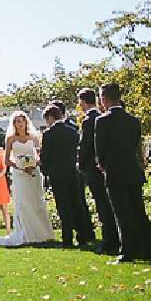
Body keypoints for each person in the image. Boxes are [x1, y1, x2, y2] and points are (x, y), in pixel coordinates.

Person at [94, 82, 151, 262]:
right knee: (138, 211)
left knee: (122, 213)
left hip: (114, 171)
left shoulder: (102, 121)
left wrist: (102, 165)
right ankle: (148, 249)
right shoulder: (133, 121)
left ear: (104, 99)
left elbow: (100, 150)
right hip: (132, 169)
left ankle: (128, 250)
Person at [0, 112, 55, 246]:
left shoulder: (33, 136)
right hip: (19, 174)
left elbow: (38, 156)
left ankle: (43, 233)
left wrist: (33, 164)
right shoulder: (11, 139)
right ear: (14, 124)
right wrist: (20, 166)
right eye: (17, 121)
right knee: (23, 203)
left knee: (36, 202)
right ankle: (26, 234)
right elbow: (7, 160)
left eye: (22, 121)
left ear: (26, 122)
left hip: (33, 173)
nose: (20, 123)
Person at [40, 104, 93, 247]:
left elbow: (45, 157)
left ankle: (67, 238)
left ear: (51, 118)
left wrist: (46, 171)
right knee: (76, 204)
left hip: (57, 173)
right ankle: (82, 235)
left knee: (63, 205)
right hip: (72, 172)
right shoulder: (72, 132)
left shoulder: (48, 134)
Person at [76, 88, 119, 254]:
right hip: (103, 166)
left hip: (93, 168)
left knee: (102, 205)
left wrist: (80, 164)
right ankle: (114, 237)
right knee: (107, 203)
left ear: (83, 102)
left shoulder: (89, 120)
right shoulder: (99, 117)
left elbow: (85, 145)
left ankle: (109, 240)